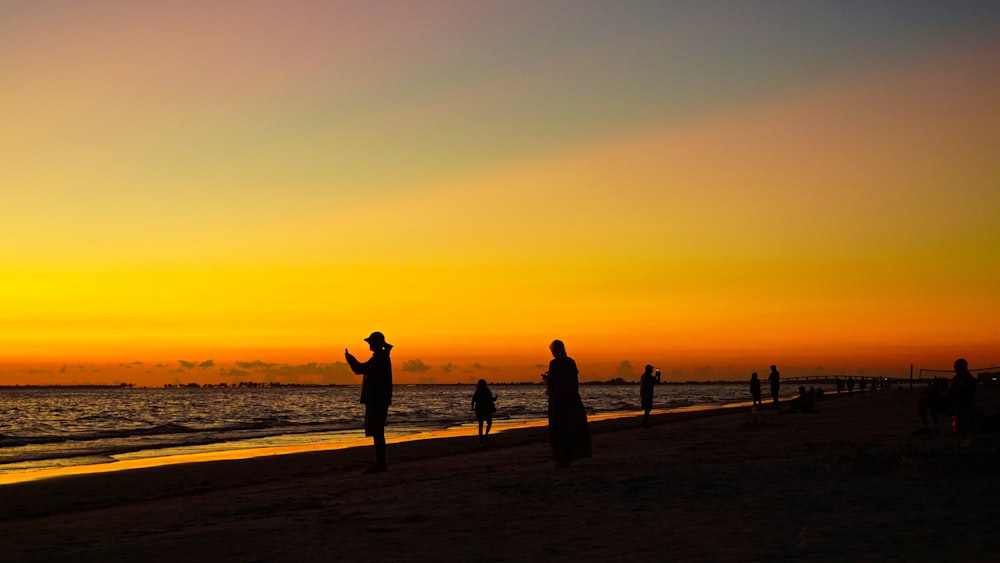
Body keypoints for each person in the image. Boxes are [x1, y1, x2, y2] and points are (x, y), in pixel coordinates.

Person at [346, 331, 393, 473]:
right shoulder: (381, 357)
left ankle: (381, 464)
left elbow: (359, 369)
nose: (369, 345)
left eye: (371, 343)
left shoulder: (379, 358)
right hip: (378, 398)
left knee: (377, 431)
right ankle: (380, 463)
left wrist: (350, 359)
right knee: (377, 431)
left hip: (377, 399)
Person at [542, 340, 591, 467]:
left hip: (558, 401)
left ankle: (562, 459)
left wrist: (546, 380)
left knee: (558, 430)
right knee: (571, 428)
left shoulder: (554, 364)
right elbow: (574, 382)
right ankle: (570, 456)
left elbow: (553, 383)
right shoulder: (571, 362)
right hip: (572, 399)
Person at [915, 358, 978, 434]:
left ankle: (925, 426)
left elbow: (948, 395)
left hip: (954, 407)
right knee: (931, 399)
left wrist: (940, 388)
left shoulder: (960, 379)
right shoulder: (968, 378)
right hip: (961, 405)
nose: (955, 370)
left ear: (960, 367)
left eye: (956, 367)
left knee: (922, 400)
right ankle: (935, 426)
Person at [471, 379, 497, 446]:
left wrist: (472, 407)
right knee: (489, 423)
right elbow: (491, 399)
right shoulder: (487, 391)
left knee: (481, 425)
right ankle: (485, 435)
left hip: (479, 409)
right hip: (486, 409)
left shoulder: (478, 391)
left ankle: (481, 439)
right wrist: (495, 398)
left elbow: (473, 400)